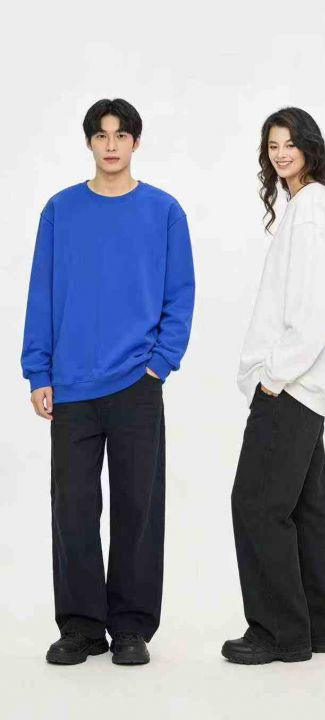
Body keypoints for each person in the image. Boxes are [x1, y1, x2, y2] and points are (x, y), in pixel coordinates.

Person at [21, 98, 195, 666]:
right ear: (89, 142)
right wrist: (38, 369)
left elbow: (180, 294)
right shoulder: (60, 211)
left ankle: (130, 627)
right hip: (71, 385)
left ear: (136, 142)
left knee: (136, 510)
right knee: (72, 510)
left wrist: (160, 363)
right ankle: (80, 626)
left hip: (136, 384)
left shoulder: (164, 211)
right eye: (101, 135)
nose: (111, 145)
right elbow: (42, 292)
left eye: (121, 135)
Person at [222, 107, 325, 664]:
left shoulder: (311, 207)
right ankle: (313, 629)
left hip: (291, 386)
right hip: (302, 386)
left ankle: (280, 633)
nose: (280, 154)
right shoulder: (306, 205)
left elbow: (315, 307)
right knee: (301, 511)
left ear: (309, 147)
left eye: (290, 143)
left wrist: (272, 376)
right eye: (272, 145)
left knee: (255, 504)